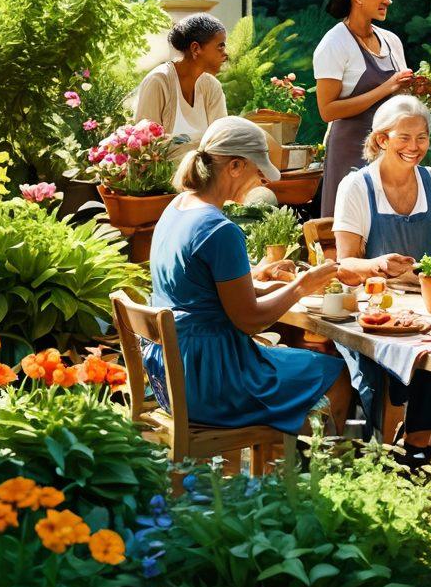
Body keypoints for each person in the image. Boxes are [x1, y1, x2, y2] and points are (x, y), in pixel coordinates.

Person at [142, 116, 350, 434]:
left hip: (168, 376)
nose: (262, 181)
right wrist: (301, 286)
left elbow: (202, 289)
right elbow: (250, 320)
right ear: (235, 166)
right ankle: (319, 474)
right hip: (211, 382)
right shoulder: (219, 229)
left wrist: (256, 275)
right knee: (334, 373)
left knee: (292, 366)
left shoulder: (178, 207)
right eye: (258, 170)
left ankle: (279, 469)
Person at [333, 95, 431, 455]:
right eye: (404, 137)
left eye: (422, 138)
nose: (414, 147)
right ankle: (372, 451)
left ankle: (415, 449)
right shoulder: (357, 187)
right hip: (374, 308)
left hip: (429, 306)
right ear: (382, 139)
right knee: (374, 369)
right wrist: (376, 265)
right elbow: (345, 266)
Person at [314, 0, 414, 216]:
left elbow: (400, 95)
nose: (388, 0)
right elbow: (327, 111)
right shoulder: (334, 44)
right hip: (351, 153)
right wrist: (386, 87)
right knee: (352, 227)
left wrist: (419, 90)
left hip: (392, 153)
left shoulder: (391, 40)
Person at [134, 14, 228, 160]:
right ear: (196, 48)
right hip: (163, 180)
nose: (225, 54)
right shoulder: (158, 82)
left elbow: (222, 140)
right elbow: (144, 147)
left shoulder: (212, 86)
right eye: (220, 46)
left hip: (206, 178)